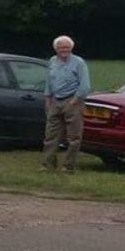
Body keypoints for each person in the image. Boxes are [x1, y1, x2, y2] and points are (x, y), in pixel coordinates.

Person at [42, 34, 91, 173]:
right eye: (61, 47)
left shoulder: (78, 62)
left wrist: (73, 102)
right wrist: (47, 100)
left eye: (67, 47)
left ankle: (69, 166)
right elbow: (49, 82)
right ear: (55, 49)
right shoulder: (52, 61)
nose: (64, 50)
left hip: (73, 101)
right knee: (50, 135)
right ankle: (47, 165)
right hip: (55, 101)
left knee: (73, 136)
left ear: (71, 48)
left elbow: (85, 86)